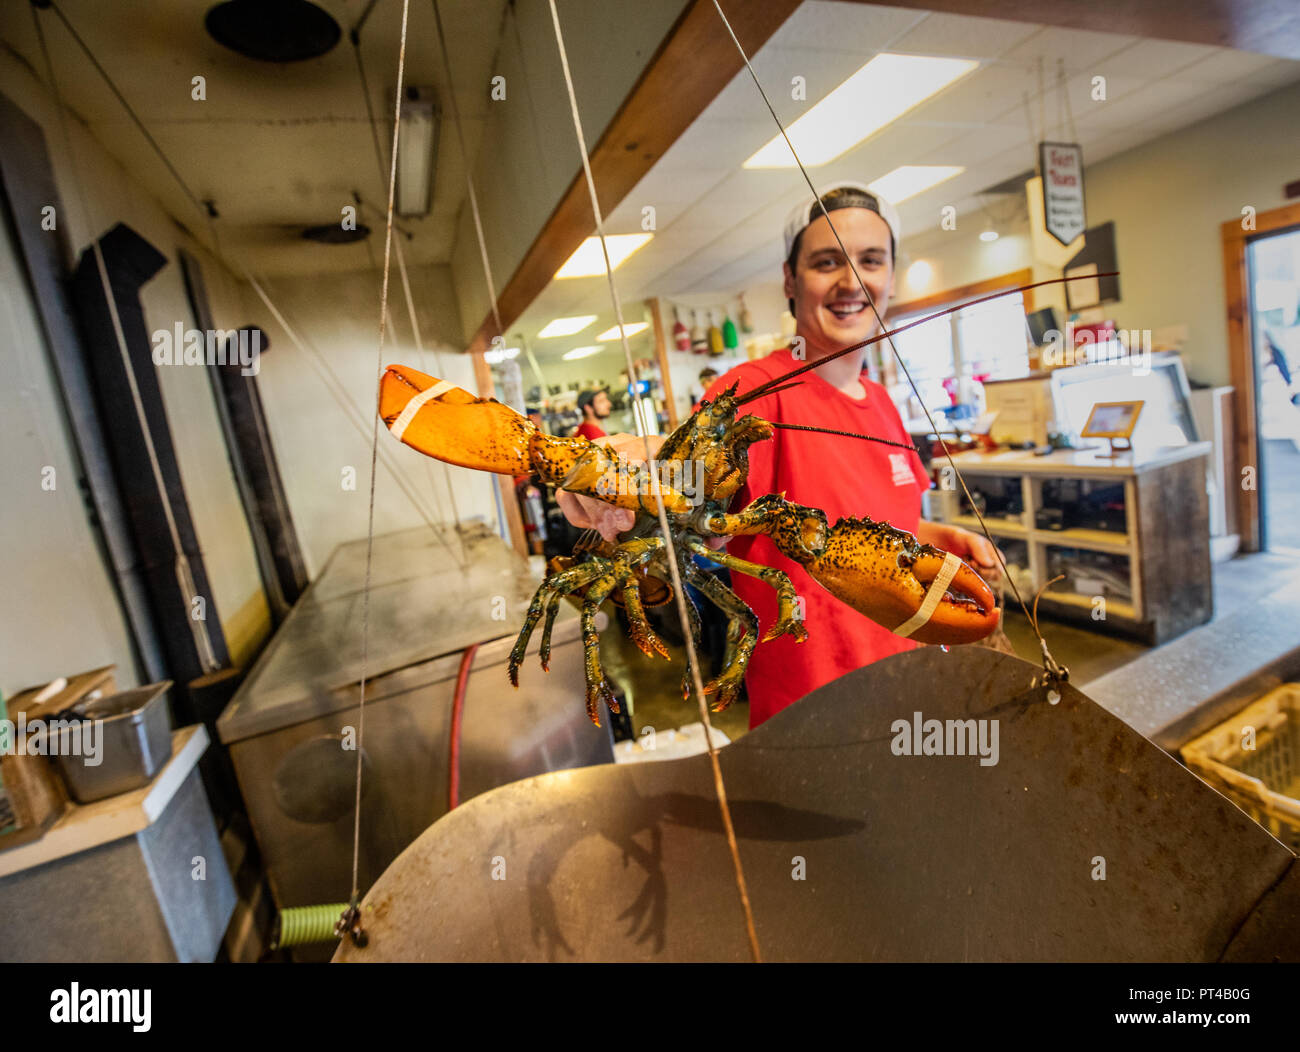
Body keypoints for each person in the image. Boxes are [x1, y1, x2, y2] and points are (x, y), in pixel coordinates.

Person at [562, 183, 998, 728]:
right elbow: (683, 487)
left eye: (870, 260)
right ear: (791, 280)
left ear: (890, 276)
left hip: (909, 688)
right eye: (826, 262)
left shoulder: (884, 402)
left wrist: (940, 539)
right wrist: (621, 468)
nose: (851, 281)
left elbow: (885, 525)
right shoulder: (750, 389)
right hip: (810, 712)